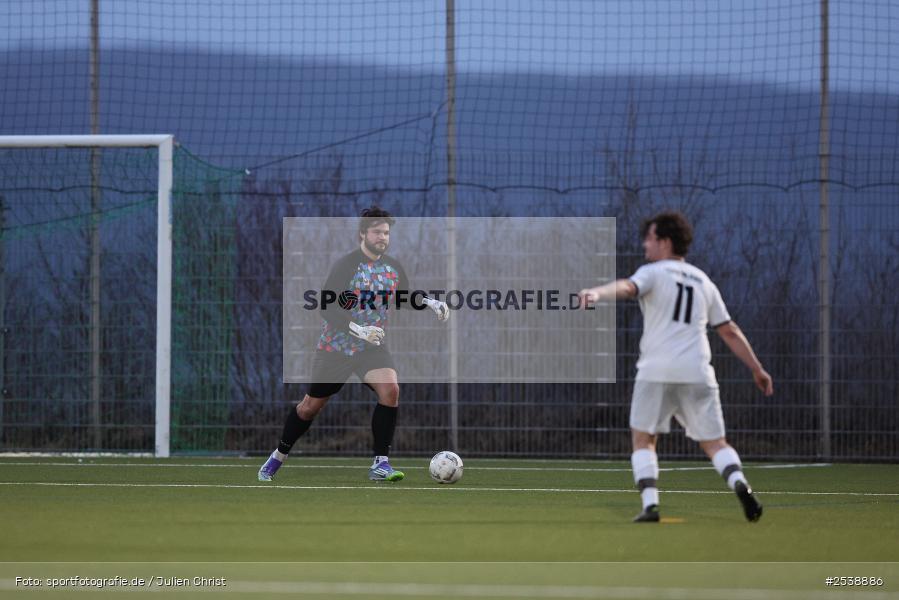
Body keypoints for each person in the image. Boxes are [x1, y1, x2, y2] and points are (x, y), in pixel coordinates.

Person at [578, 211, 773, 523]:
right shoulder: (704, 282)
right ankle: (740, 485)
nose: (645, 245)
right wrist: (757, 368)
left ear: (665, 242)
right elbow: (729, 330)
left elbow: (629, 287)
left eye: (650, 238)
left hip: (656, 371)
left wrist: (596, 293)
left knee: (643, 439)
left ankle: (650, 505)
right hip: (697, 371)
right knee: (715, 444)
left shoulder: (654, 272)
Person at [259, 206, 449, 482]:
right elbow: (326, 306)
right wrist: (358, 329)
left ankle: (380, 464)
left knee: (391, 390)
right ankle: (278, 456)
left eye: (386, 232)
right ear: (362, 234)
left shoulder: (392, 267)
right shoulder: (347, 265)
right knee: (309, 407)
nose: (383, 237)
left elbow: (403, 297)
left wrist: (430, 302)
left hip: (372, 348)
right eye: (377, 232)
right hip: (335, 348)